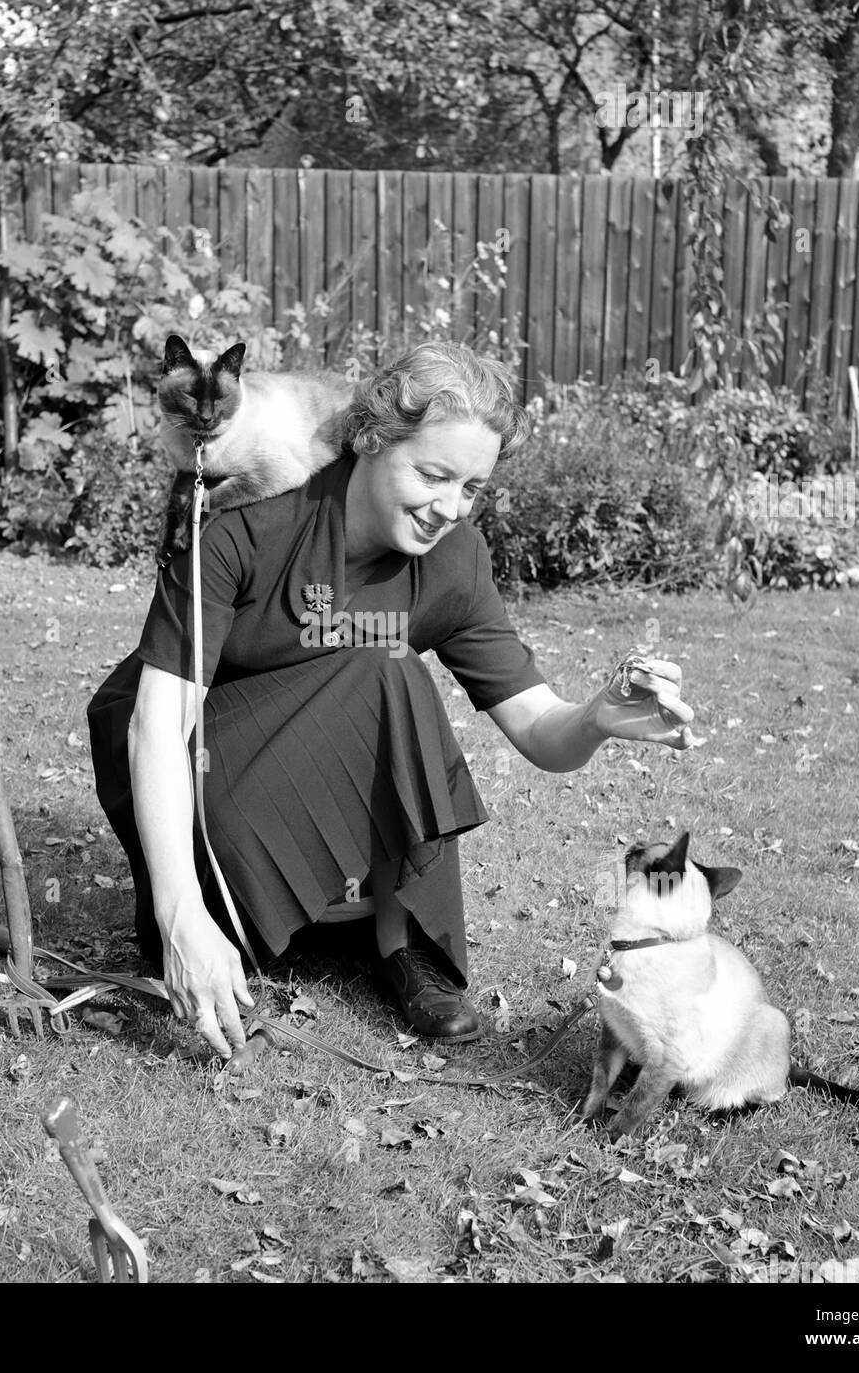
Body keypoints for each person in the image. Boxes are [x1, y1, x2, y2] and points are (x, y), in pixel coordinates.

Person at [87, 342, 697, 1061]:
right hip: (189, 780)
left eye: (471, 487)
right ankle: (230, 916)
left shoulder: (454, 558)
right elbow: (157, 724)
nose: (449, 507)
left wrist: (596, 716)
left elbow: (538, 727)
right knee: (385, 666)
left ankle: (401, 945)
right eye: (433, 475)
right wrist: (179, 910)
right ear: (371, 440)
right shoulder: (248, 520)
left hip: (285, 770)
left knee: (386, 665)